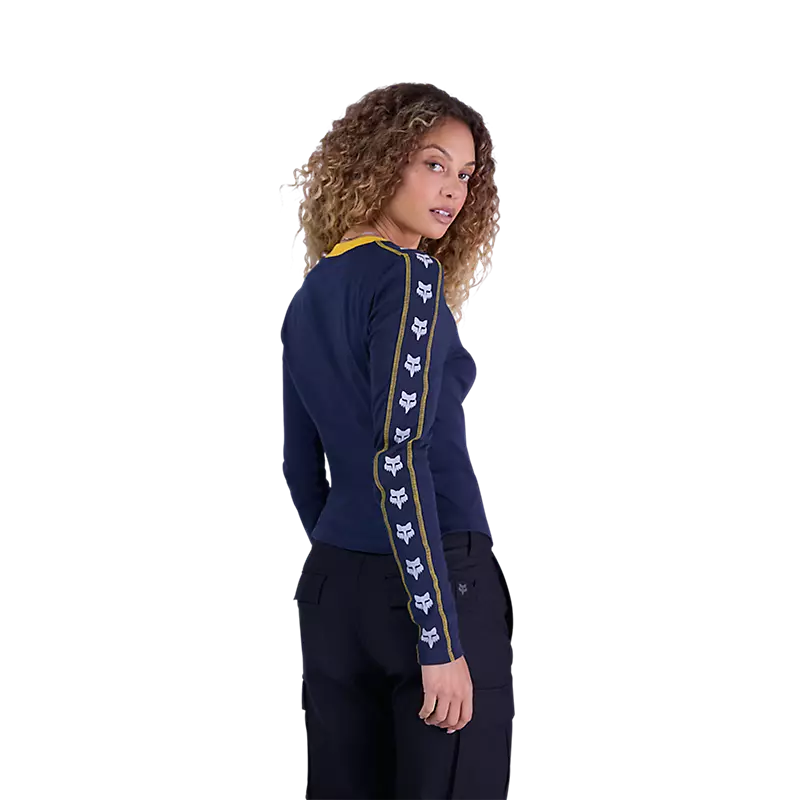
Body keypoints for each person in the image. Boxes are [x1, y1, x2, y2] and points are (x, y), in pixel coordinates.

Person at [279, 80, 515, 799]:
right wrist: (436, 635)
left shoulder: (309, 297)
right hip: (433, 582)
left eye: (465, 175)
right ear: (381, 163)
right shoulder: (410, 276)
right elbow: (399, 454)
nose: (453, 191)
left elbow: (299, 467)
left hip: (334, 590)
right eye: (433, 163)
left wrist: (355, 562)